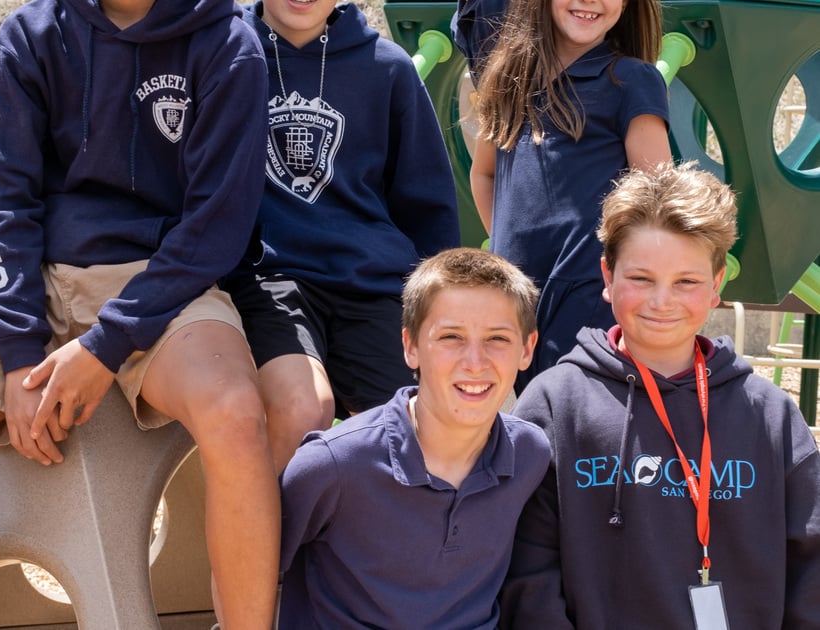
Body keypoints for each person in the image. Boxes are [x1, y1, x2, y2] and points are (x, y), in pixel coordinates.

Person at [0, 0, 279, 627]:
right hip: (32, 278)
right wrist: (19, 352)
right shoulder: (29, 35)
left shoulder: (228, 43)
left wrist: (103, 347)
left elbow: (216, 226)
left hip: (162, 280)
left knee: (236, 416)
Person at [500, 162, 820, 628]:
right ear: (607, 277)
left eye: (686, 282)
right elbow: (526, 569)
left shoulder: (770, 414)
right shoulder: (553, 404)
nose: (662, 301)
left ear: (716, 286)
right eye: (641, 279)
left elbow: (811, 563)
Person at [226, 0, 461, 472]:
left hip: (370, 283)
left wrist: (441, 304)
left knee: (424, 424)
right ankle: (271, 544)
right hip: (268, 278)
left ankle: (379, 543)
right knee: (301, 406)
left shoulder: (388, 68)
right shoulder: (226, 56)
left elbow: (428, 206)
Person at [276, 247, 550, 628]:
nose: (475, 361)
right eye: (451, 336)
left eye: (497, 339)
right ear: (410, 347)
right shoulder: (332, 465)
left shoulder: (530, 455)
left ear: (527, 349)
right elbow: (255, 572)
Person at [464, 0, 673, 391]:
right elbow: (484, 173)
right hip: (517, 298)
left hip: (589, 296)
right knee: (534, 425)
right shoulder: (507, 77)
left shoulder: (630, 79)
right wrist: (509, 254)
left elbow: (657, 200)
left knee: (578, 422)